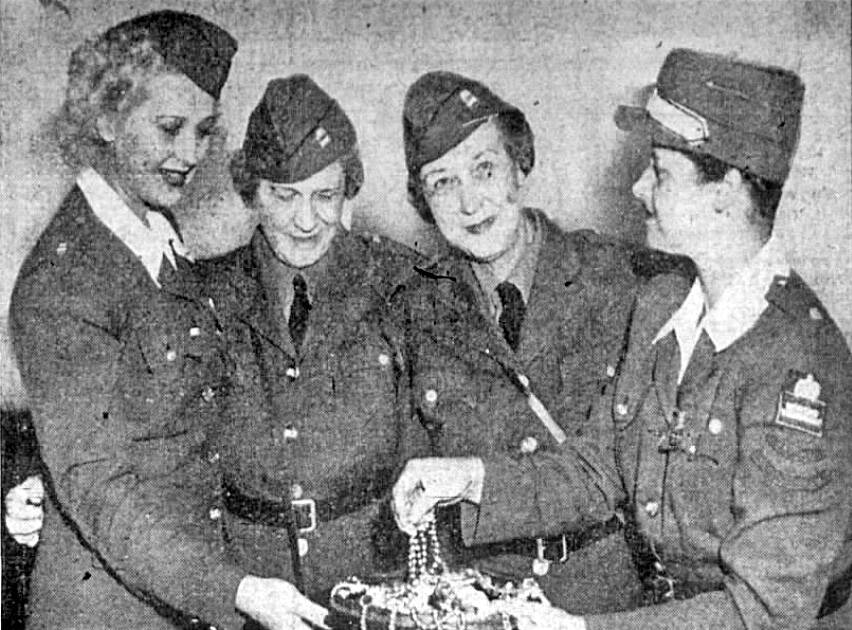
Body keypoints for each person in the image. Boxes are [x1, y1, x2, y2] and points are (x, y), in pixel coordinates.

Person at [393, 49, 852, 629]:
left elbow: (763, 610)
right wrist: (468, 478)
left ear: (726, 191)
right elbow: (597, 469)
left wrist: (582, 629)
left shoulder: (798, 364)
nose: (637, 188)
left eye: (660, 172)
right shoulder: (665, 307)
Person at [9, 12, 326, 630]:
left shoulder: (159, 234)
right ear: (107, 117)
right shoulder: (63, 280)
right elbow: (103, 489)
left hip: (185, 595)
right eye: (170, 128)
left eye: (204, 132)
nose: (190, 155)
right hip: (108, 609)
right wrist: (238, 591)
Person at [394, 71, 695, 613]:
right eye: (442, 183)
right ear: (424, 201)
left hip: (608, 596)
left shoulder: (623, 280)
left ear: (520, 164)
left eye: (485, 169)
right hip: (484, 598)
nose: (469, 203)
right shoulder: (418, 309)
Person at [198, 75, 430, 606]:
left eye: (325, 196)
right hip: (250, 590)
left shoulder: (400, 282)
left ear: (348, 191)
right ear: (251, 192)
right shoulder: (202, 294)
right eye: (284, 196)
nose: (306, 221)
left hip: (375, 584)